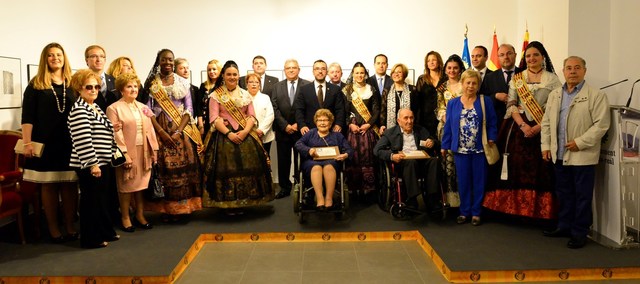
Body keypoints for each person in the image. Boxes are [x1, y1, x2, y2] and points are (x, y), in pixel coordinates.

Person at [483, 41, 561, 220]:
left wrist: (539, 127)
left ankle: (539, 212)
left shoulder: (553, 80)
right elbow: (511, 104)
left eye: (535, 55)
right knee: (513, 167)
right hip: (518, 129)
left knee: (541, 169)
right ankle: (513, 210)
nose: (532, 58)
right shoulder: (518, 78)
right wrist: (523, 125)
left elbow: (555, 108)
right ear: (525, 59)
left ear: (543, 57)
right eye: (528, 56)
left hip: (543, 129)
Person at [541, 56, 610, 249]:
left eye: (577, 68)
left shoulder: (596, 96)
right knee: (563, 193)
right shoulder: (555, 94)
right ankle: (564, 226)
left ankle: (579, 232)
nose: (572, 71)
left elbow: (601, 126)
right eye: (569, 68)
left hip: (582, 155)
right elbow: (546, 123)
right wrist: (545, 146)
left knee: (582, 196)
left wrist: (580, 142)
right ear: (563, 71)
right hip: (559, 155)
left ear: (584, 71)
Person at [21, 42, 78, 243]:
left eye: (59, 54)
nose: (55, 58)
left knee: (70, 185)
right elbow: (27, 117)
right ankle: (54, 229)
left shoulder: (73, 83)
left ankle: (70, 226)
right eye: (51, 55)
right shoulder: (36, 84)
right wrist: (27, 143)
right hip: (45, 144)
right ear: (45, 59)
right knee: (50, 186)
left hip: (71, 143)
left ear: (64, 58)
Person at [202, 60, 274, 213]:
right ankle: (229, 203)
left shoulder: (245, 94)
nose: (232, 77)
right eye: (229, 74)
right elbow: (214, 119)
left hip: (245, 135)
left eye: (235, 74)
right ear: (223, 76)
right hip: (223, 138)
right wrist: (229, 133)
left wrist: (245, 132)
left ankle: (245, 201)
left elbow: (252, 116)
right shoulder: (215, 95)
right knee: (227, 170)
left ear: (238, 76)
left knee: (247, 168)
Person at [144, 49, 203, 222]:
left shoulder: (182, 82)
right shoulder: (152, 84)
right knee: (164, 170)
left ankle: (184, 208)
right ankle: (166, 210)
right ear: (159, 61)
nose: (168, 63)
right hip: (159, 129)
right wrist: (161, 132)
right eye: (164, 60)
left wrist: (178, 132)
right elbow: (147, 110)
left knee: (185, 170)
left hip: (181, 130)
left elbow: (189, 109)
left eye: (170, 60)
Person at [67, 69, 119, 248]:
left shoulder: (94, 106)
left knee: (101, 200)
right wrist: (93, 164)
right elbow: (83, 140)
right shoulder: (80, 110)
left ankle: (104, 232)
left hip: (103, 161)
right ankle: (91, 239)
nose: (94, 90)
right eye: (88, 87)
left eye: (97, 86)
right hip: (90, 163)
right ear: (78, 88)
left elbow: (103, 130)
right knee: (91, 202)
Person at [441, 70, 497, 226]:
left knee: (479, 182)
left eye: (474, 83)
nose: (471, 86)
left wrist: (492, 137)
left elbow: (492, 122)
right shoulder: (452, 103)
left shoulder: (485, 101)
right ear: (462, 83)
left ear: (478, 85)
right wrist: (444, 145)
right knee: (463, 182)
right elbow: (449, 127)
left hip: (480, 150)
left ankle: (476, 213)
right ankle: (464, 212)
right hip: (460, 150)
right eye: (468, 82)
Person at [106, 73, 159, 232]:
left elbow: (150, 131)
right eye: (129, 86)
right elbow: (115, 134)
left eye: (135, 86)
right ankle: (125, 217)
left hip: (143, 152)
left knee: (141, 186)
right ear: (122, 89)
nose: (133, 89)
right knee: (126, 186)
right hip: (127, 152)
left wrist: (153, 150)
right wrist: (124, 154)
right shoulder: (113, 108)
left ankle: (140, 215)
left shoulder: (143, 107)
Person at [374, 108, 440, 210]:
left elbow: (434, 141)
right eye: (406, 118)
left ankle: (432, 198)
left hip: (421, 163)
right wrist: (392, 156)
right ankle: (412, 199)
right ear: (398, 121)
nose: (409, 121)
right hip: (402, 165)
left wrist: (432, 142)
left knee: (434, 161)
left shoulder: (421, 130)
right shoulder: (390, 133)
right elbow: (377, 150)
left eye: (411, 118)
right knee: (410, 162)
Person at [295, 109, 353, 209]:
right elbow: (298, 144)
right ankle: (320, 198)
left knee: (328, 167)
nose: (322, 123)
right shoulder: (311, 133)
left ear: (330, 123)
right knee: (316, 167)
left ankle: (329, 198)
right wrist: (308, 150)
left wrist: (345, 155)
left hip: (332, 162)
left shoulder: (337, 135)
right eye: (319, 120)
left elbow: (349, 149)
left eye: (325, 120)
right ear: (316, 122)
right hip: (312, 162)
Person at [271, 59, 311, 199]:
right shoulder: (277, 86)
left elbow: (308, 108)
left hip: (302, 131)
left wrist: (298, 125)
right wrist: (285, 125)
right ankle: (284, 187)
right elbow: (274, 108)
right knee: (283, 161)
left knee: (302, 160)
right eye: (288, 68)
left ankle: (302, 186)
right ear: (284, 70)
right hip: (283, 131)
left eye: (294, 67)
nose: (291, 70)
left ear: (299, 69)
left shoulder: (307, 85)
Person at [343, 62, 380, 198]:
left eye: (362, 73)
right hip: (353, 128)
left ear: (365, 74)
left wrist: (369, 124)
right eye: (357, 72)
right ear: (353, 74)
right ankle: (353, 189)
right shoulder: (347, 90)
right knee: (353, 156)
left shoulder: (372, 89)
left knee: (368, 156)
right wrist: (349, 124)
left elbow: (376, 110)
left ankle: (368, 189)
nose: (359, 75)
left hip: (367, 129)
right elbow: (344, 111)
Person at [436, 54, 466, 200]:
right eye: (449, 68)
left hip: (465, 128)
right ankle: (450, 199)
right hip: (446, 129)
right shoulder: (441, 88)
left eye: (455, 68)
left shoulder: (467, 84)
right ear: (445, 70)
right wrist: (448, 120)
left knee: (462, 164)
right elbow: (439, 108)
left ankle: (465, 199)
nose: (452, 70)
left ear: (460, 69)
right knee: (447, 165)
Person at [295, 59, 346, 135]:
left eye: (323, 69)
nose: (320, 71)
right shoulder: (304, 90)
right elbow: (299, 110)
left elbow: (340, 109)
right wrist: (302, 125)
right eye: (317, 69)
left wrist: (338, 124)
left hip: (331, 131)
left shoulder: (335, 89)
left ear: (327, 72)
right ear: (313, 72)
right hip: (309, 131)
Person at [480, 44, 521, 128]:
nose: (506, 57)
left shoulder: (524, 74)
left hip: (521, 124)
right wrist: (495, 96)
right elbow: (481, 98)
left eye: (509, 53)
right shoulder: (489, 77)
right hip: (497, 124)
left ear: (515, 55)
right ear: (498, 58)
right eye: (501, 55)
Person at [380, 63, 418, 134]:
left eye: (399, 72)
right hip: (391, 129)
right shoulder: (387, 90)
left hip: (410, 127)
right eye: (394, 72)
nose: (396, 74)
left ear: (404, 74)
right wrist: (382, 125)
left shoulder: (412, 89)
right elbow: (383, 110)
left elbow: (417, 110)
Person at [415, 51, 444, 137]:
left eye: (434, 60)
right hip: (425, 118)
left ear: (439, 62)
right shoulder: (422, 79)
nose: (431, 62)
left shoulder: (445, 78)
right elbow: (417, 101)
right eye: (428, 61)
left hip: (442, 118)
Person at [245, 73, 275, 153]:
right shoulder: (242, 98)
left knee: (265, 161)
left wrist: (261, 130)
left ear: (259, 85)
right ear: (246, 84)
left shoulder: (265, 97)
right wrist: (249, 131)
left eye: (256, 82)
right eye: (251, 82)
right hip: (246, 135)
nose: (254, 84)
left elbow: (270, 115)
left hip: (264, 135)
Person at [174, 58, 204, 137]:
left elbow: (197, 109)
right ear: (175, 71)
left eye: (187, 68)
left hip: (190, 126)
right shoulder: (171, 87)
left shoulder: (195, 89)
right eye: (182, 68)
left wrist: (200, 125)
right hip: (175, 125)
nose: (186, 70)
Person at [199, 59, 222, 135]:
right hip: (205, 123)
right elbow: (199, 107)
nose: (211, 72)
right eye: (209, 70)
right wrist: (200, 125)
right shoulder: (203, 85)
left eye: (214, 69)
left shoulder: (224, 86)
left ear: (219, 70)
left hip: (220, 123)